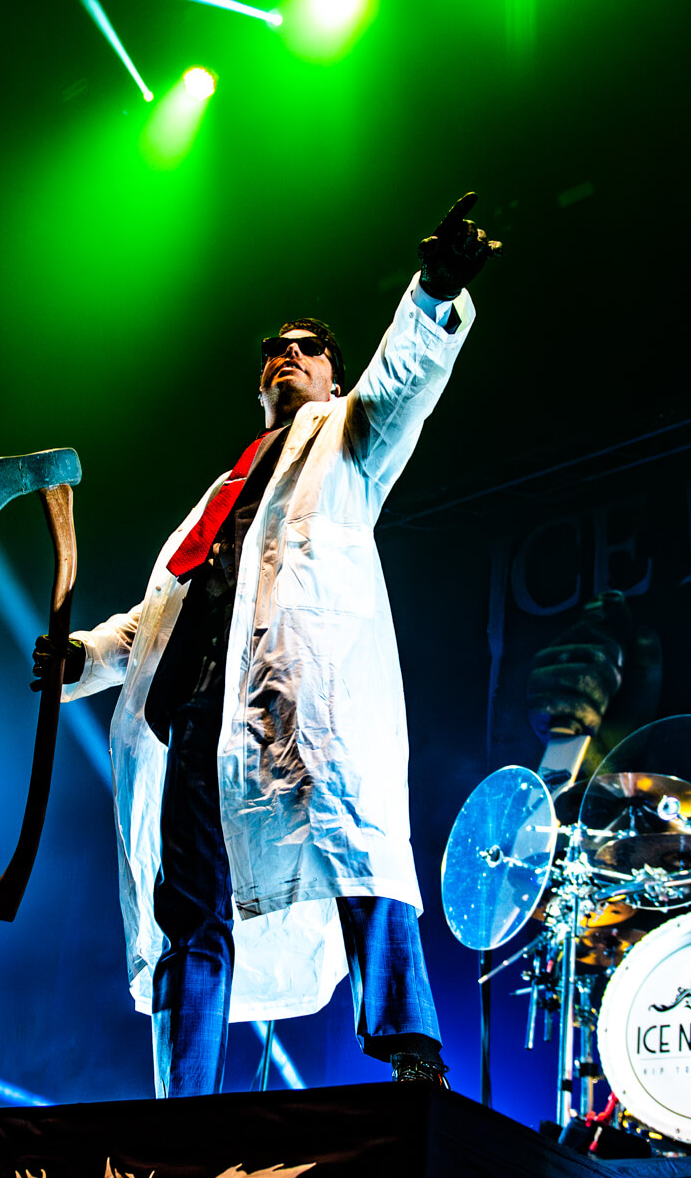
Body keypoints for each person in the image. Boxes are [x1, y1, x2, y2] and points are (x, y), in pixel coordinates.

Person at [35, 194, 501, 1097]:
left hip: (302, 696)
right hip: (193, 720)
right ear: (259, 386)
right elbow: (154, 618)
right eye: (274, 351)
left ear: (330, 377)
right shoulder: (219, 492)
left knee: (356, 847)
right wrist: (83, 656)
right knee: (188, 903)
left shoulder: (349, 438)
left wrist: (434, 295)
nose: (287, 356)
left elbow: (403, 381)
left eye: (306, 348)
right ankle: (183, 1100)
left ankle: (410, 1051)